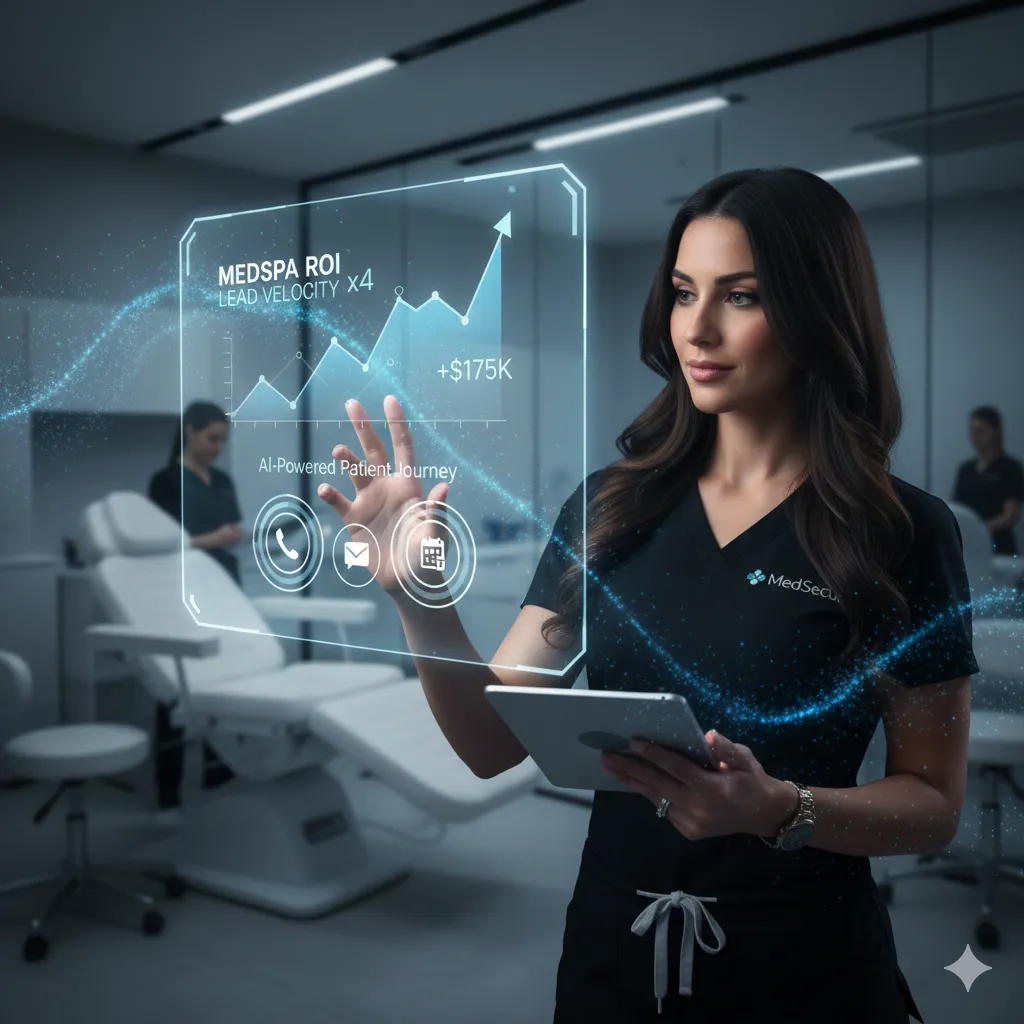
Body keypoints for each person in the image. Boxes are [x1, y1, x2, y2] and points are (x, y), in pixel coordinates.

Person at [317, 168, 978, 1023]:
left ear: (819, 311)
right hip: (614, 953)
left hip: (806, 964)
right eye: (682, 292)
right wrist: (419, 597)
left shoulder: (902, 531)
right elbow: (490, 743)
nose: (696, 329)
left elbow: (932, 807)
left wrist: (781, 808)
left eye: (739, 296)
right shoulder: (607, 508)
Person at [148, 401, 239, 811]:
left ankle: (220, 779)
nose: (219, 447)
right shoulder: (165, 481)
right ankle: (169, 792)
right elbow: (161, 543)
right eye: (212, 438)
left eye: (224, 439)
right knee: (176, 690)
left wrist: (231, 537)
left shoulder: (221, 479)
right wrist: (209, 540)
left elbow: (231, 528)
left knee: (226, 683)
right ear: (189, 431)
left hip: (226, 588)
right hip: (184, 593)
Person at [953, 405, 1023, 555]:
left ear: (996, 431)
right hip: (968, 546)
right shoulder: (966, 469)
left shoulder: (1010, 468)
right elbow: (956, 510)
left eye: (980, 430)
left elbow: (1010, 515)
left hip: (998, 546)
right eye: (972, 430)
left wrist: (979, 529)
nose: (975, 436)